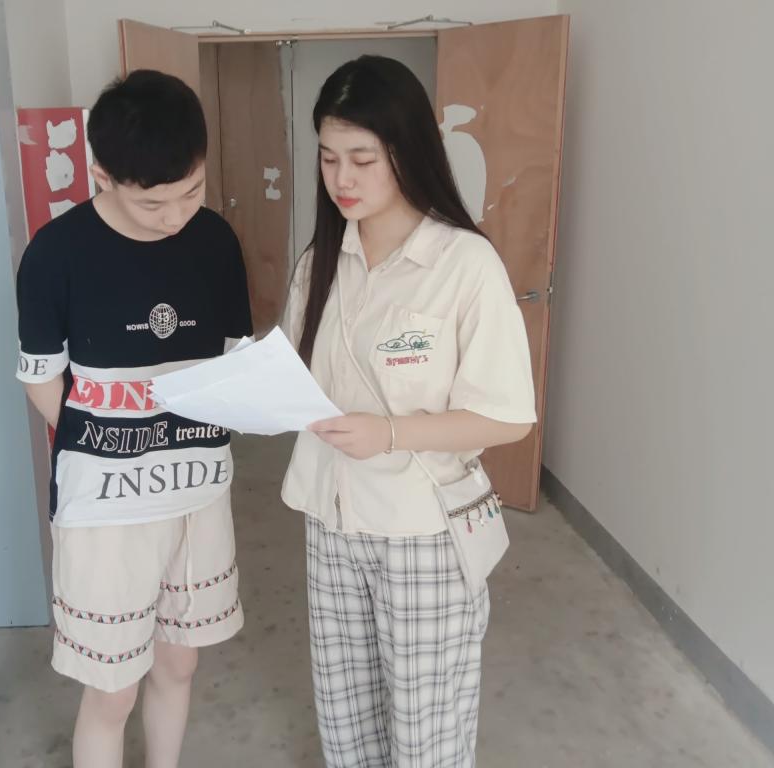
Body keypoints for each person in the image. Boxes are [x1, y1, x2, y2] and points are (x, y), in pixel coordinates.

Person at [281, 55, 537, 767]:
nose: (342, 178)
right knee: (346, 721)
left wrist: (390, 433)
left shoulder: (464, 265)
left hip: (422, 531)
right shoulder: (319, 263)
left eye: (363, 159)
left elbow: (508, 417)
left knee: (427, 736)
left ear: (407, 151)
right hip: (331, 523)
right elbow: (298, 378)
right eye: (329, 157)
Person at [15, 69, 252, 768]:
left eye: (192, 191)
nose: (176, 216)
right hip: (106, 507)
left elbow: (233, 361)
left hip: (197, 494)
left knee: (180, 662)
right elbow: (41, 378)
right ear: (101, 176)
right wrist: (120, 443)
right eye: (153, 202)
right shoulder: (56, 253)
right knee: (111, 690)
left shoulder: (216, 241)